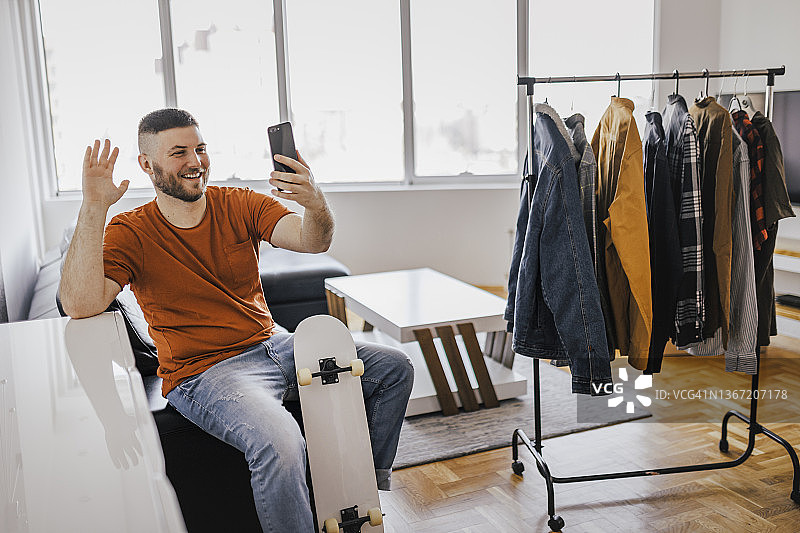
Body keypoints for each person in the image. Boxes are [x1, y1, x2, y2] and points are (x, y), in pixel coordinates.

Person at [58, 108, 414, 532]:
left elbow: (314, 240)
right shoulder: (130, 231)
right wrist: (93, 206)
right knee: (279, 441)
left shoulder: (239, 203)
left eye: (200, 148)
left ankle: (351, 492)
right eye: (179, 153)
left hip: (276, 344)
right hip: (205, 372)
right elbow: (80, 303)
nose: (195, 161)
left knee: (394, 369)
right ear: (147, 165)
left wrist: (313, 199)